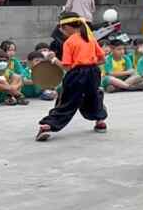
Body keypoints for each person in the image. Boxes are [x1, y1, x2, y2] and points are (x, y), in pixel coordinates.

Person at [36, 12, 107, 141]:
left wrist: (53, 59)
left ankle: (47, 126)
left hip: (77, 75)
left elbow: (67, 67)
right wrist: (88, 63)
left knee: (67, 100)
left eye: (62, 28)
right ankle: (100, 120)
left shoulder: (69, 42)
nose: (61, 31)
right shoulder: (91, 38)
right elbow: (102, 60)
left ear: (68, 27)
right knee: (93, 96)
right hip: (93, 73)